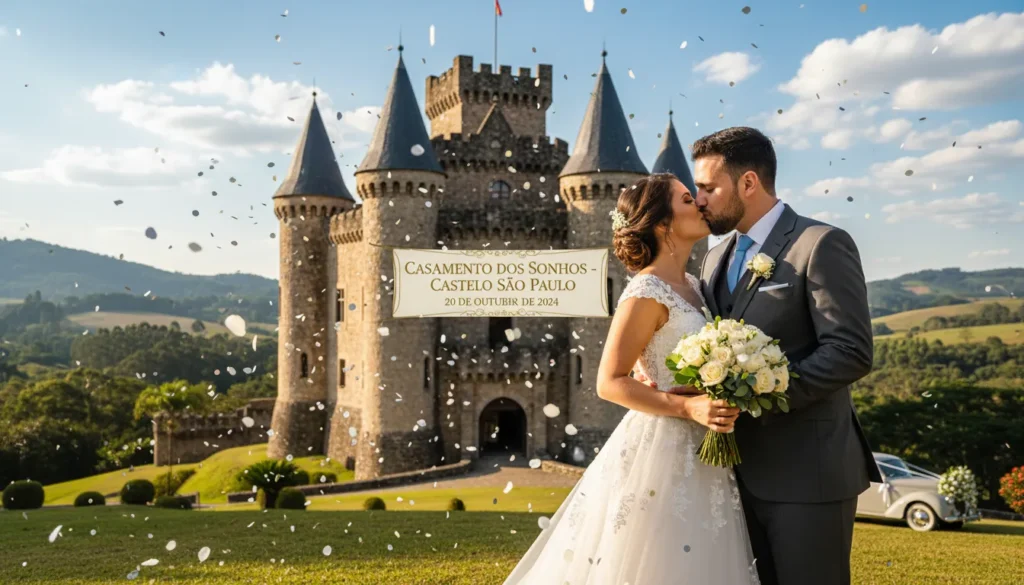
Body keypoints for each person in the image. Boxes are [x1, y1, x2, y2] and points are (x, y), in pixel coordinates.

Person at [638, 127, 882, 585]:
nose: (701, 199)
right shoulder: (714, 258)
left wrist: (756, 394)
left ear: (748, 183)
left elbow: (850, 351)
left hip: (807, 473)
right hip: (727, 477)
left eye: (709, 188)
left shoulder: (820, 243)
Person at [502, 173, 760, 585]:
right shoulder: (647, 291)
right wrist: (688, 405)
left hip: (702, 450)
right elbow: (609, 381)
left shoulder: (693, 285)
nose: (699, 202)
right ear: (661, 223)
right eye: (685, 198)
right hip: (663, 449)